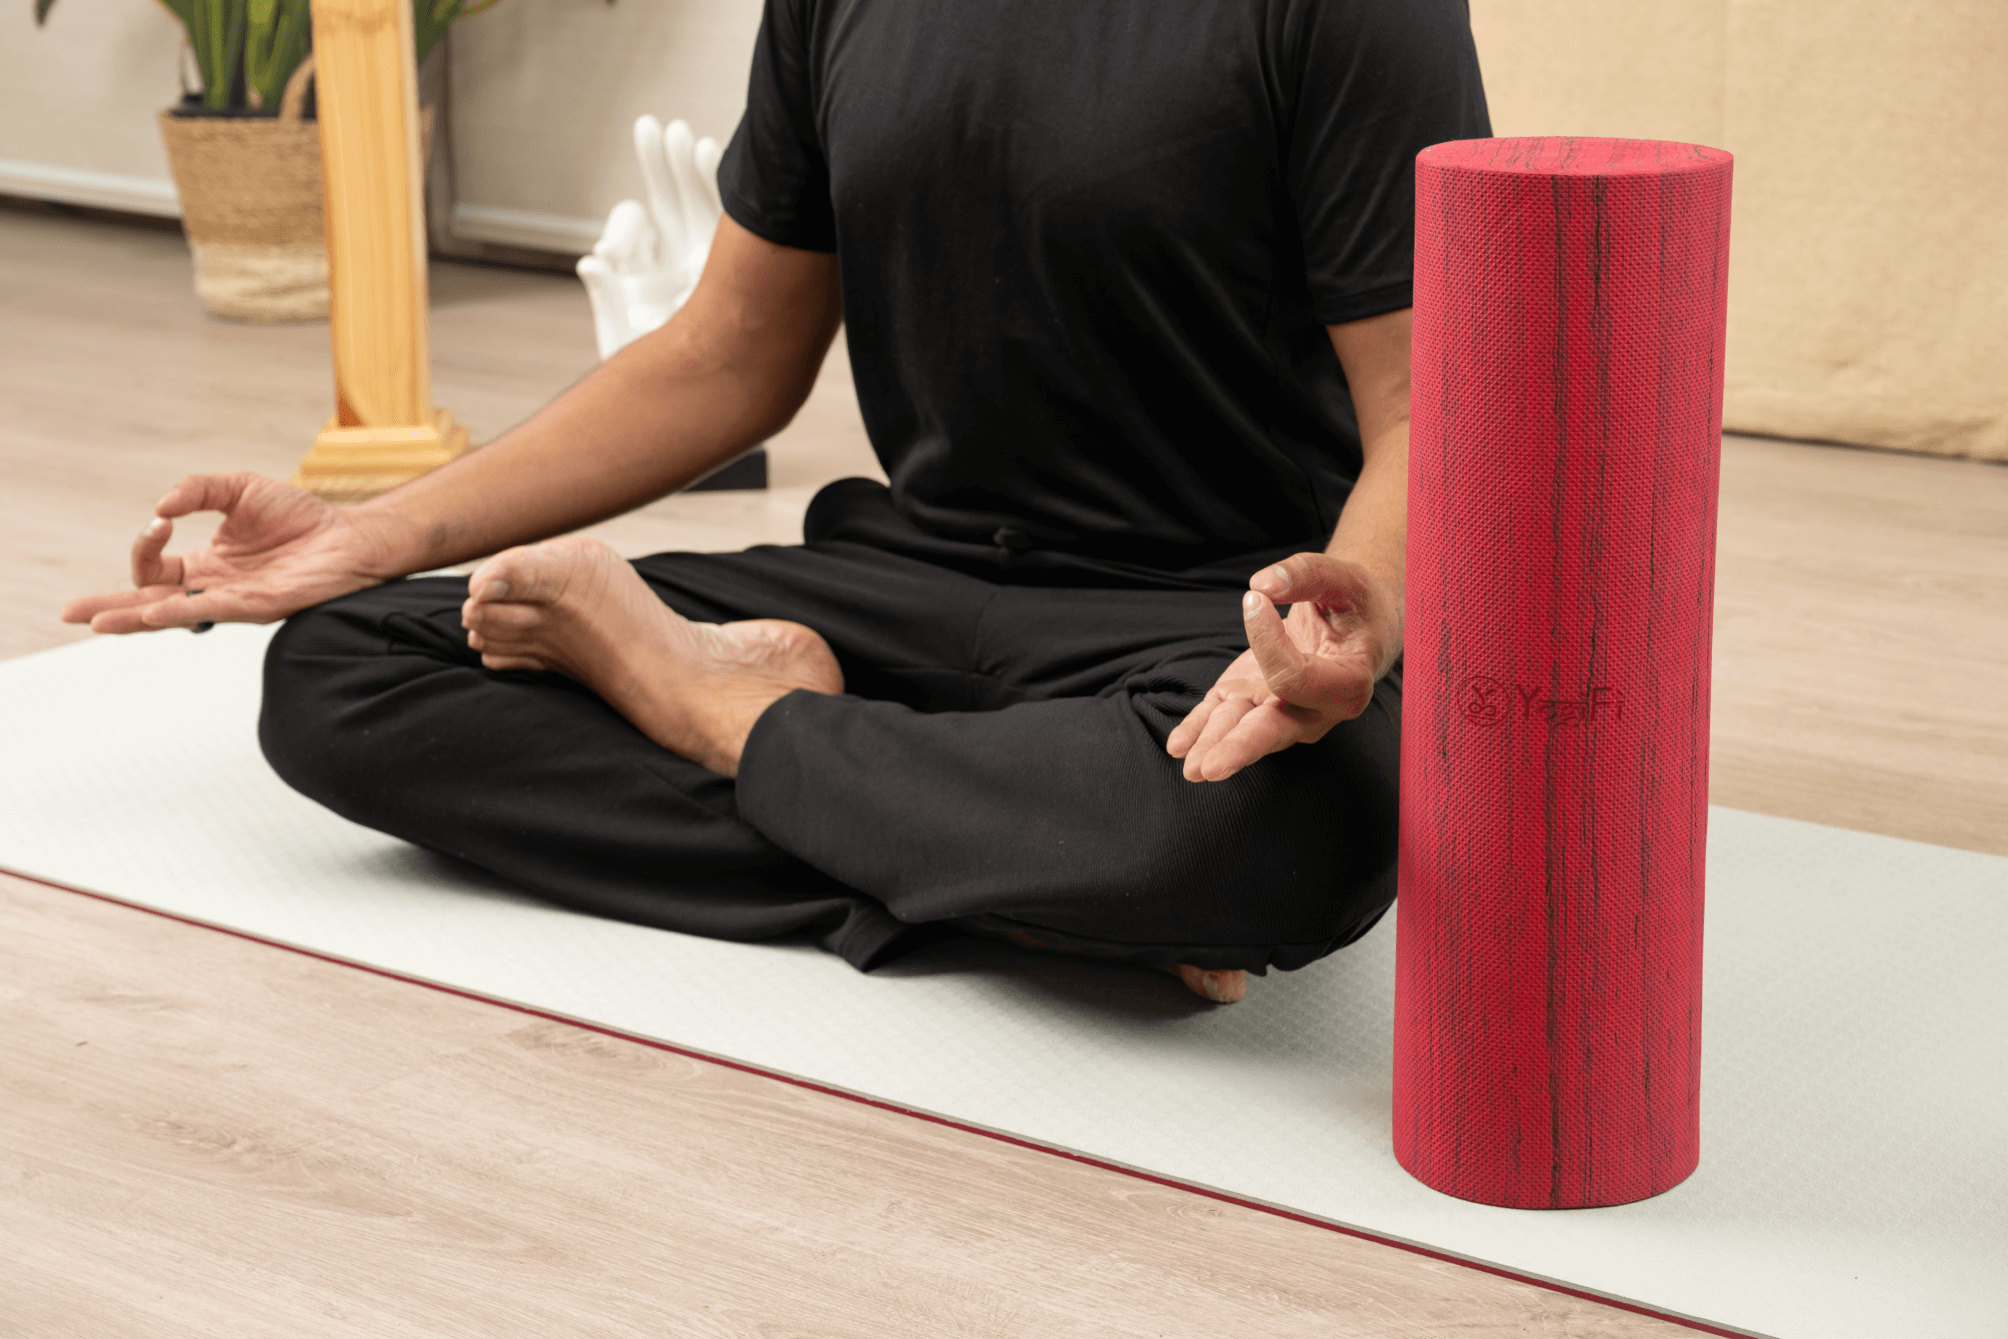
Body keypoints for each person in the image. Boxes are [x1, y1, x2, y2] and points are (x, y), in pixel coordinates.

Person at [63, 0, 1490, 1004]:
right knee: (343, 672)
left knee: (1287, 835)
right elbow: (726, 355)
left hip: (1201, 620)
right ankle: (1025, 870)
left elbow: (1427, 408)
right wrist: (371, 532)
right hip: (908, 589)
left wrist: (1353, 620)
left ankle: (744, 725)